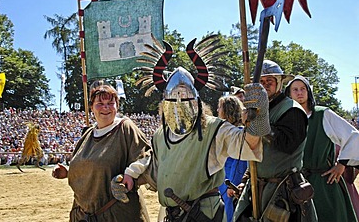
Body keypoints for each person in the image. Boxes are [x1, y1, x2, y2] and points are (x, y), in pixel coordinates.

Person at [136, 35, 270, 222]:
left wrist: (260, 114)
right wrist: (129, 178)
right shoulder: (161, 135)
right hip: (171, 214)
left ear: (196, 101)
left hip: (204, 215)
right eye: (174, 97)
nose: (180, 102)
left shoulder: (215, 128)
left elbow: (249, 143)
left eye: (185, 97)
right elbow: (155, 171)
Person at [52, 80, 151, 222]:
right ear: (92, 107)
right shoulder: (88, 135)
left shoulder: (125, 128)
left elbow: (146, 157)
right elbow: (95, 169)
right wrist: (69, 172)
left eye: (111, 103)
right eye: (100, 104)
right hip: (83, 215)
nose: (106, 108)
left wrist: (130, 174)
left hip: (117, 214)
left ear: (117, 106)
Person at [234, 60, 317, 222]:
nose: (265, 85)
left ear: (279, 83)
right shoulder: (259, 110)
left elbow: (287, 145)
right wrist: (245, 179)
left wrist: (259, 123)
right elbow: (254, 150)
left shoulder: (292, 110)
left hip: (283, 190)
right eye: (262, 82)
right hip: (255, 187)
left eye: (269, 82)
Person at [285, 75, 359, 222]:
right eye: (295, 90)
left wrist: (341, 164)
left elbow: (353, 136)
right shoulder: (287, 118)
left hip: (324, 182)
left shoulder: (322, 114)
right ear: (289, 93)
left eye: (303, 89)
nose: (299, 92)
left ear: (308, 92)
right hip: (296, 183)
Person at [217, 94, 248, 222]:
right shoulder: (224, 130)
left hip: (230, 181)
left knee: (229, 216)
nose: (217, 110)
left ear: (227, 110)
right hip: (222, 180)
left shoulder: (237, 132)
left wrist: (232, 184)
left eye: (220, 107)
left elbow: (239, 161)